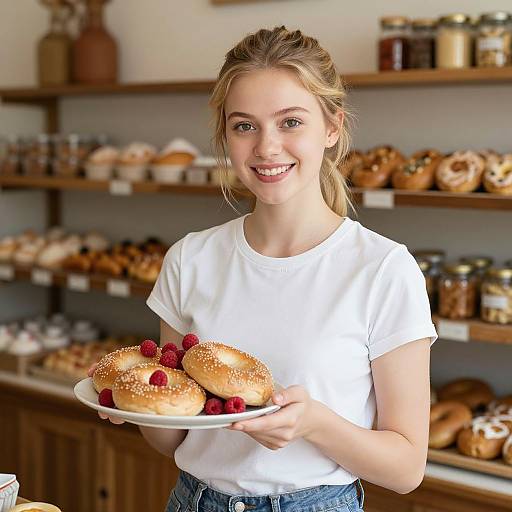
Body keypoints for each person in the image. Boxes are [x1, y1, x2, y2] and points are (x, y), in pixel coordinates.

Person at [91, 26, 437, 512]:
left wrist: (314, 423)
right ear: (226, 135)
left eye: (290, 122)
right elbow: (171, 443)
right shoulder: (189, 260)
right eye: (245, 126)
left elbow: (405, 469)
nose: (267, 148)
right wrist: (134, 406)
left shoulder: (383, 269)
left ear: (332, 127)